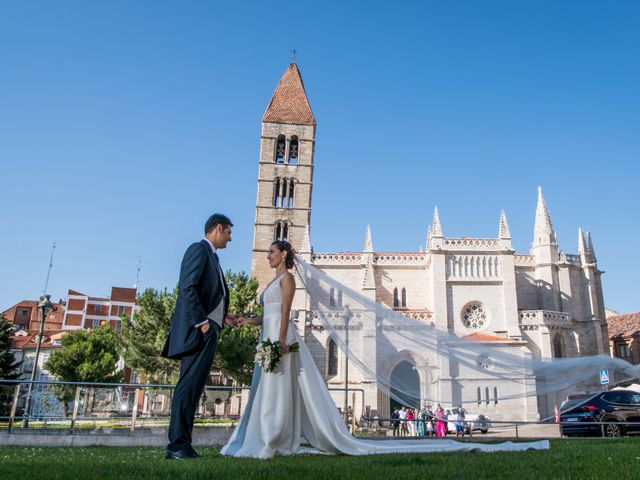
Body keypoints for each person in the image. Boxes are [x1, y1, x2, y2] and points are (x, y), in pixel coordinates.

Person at [220, 244, 550, 458]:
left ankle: (275, 439)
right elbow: (273, 312)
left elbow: (288, 313)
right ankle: (267, 436)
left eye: (272, 252)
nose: (267, 255)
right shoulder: (271, 283)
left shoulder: (289, 280)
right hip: (270, 335)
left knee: (280, 389)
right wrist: (243, 320)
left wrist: (278, 339)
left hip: (279, 340)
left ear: (283, 255)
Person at [162, 214, 239, 460]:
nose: (230, 237)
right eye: (228, 232)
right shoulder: (198, 250)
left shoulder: (212, 257)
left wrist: (223, 316)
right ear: (218, 228)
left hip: (210, 328)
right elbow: (188, 286)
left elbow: (210, 294)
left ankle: (183, 444)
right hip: (199, 331)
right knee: (187, 387)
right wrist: (203, 323)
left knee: (194, 389)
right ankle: (177, 446)